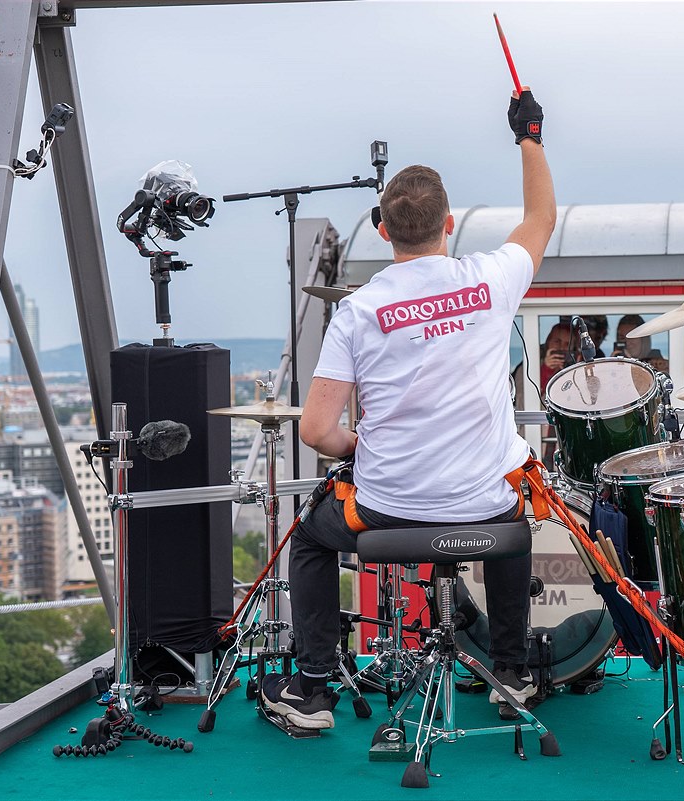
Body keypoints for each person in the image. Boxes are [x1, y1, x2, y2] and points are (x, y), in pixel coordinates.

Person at [262, 87, 556, 732]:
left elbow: (315, 431)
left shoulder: (358, 311)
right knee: (510, 498)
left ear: (383, 228)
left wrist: (358, 449)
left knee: (310, 541)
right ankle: (509, 671)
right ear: (450, 225)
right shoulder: (490, 279)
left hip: (386, 507)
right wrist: (529, 137)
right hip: (484, 505)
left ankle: (313, 691)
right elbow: (539, 219)